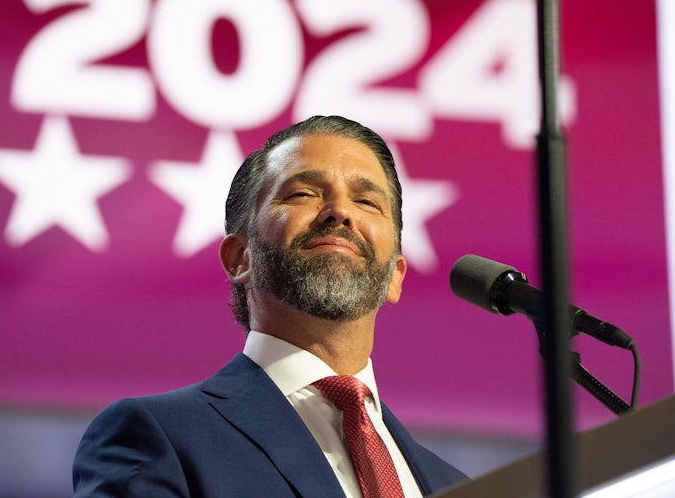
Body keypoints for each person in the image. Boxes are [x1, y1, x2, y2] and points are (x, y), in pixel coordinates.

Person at [72, 115, 468, 497]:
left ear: (395, 275)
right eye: (302, 193)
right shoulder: (159, 437)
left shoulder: (455, 485)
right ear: (240, 258)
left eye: (366, 201)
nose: (340, 212)